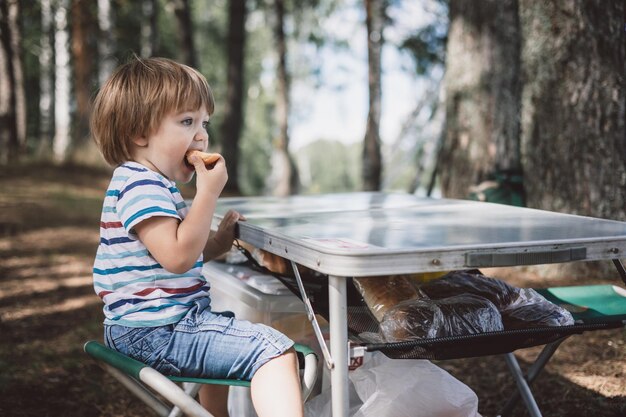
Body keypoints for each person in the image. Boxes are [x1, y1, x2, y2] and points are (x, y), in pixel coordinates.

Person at [90, 56, 303, 417]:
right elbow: (177, 257)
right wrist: (207, 195)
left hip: (163, 324)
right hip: (156, 331)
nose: (202, 135)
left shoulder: (154, 184)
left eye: (204, 122)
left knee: (223, 329)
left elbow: (184, 249)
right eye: (187, 121)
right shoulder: (141, 185)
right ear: (139, 132)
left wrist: (219, 240)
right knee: (275, 350)